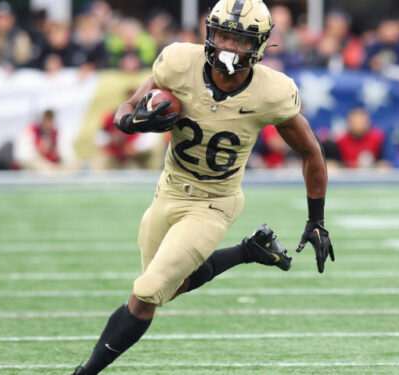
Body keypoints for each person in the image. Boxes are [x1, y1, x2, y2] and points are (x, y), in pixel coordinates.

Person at [71, 1, 333, 373]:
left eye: (238, 39)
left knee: (146, 293)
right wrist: (132, 121)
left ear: (258, 45)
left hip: (215, 202)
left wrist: (316, 219)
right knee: (168, 288)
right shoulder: (179, 62)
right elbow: (127, 106)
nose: (226, 45)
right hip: (169, 191)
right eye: (222, 34)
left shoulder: (272, 91)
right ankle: (250, 250)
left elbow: (311, 151)